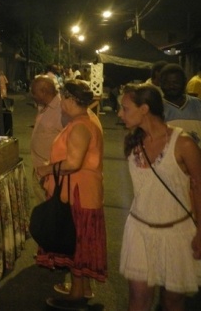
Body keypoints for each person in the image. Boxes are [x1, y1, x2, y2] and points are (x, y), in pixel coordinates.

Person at [118, 83, 201, 311]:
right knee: (138, 298)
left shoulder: (183, 143)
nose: (120, 114)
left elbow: (198, 186)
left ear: (144, 109)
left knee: (172, 301)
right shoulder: (133, 141)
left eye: (125, 108)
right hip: (139, 230)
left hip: (177, 234)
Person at [35, 80, 107, 307]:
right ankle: (82, 288)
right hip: (82, 191)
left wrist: (47, 169)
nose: (61, 103)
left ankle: (76, 295)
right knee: (81, 241)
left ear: (70, 99)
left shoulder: (80, 126)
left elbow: (73, 163)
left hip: (77, 193)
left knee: (76, 241)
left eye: (63, 98)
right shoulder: (84, 121)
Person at [30, 75, 66, 204]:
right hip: (39, 167)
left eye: (34, 93)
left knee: (48, 207)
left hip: (49, 171)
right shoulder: (43, 106)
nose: (32, 96)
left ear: (44, 92)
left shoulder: (61, 110)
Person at [159, 63, 201, 144]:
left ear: (184, 82)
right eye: (167, 83)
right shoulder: (156, 108)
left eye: (176, 82)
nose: (171, 86)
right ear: (161, 83)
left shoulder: (198, 104)